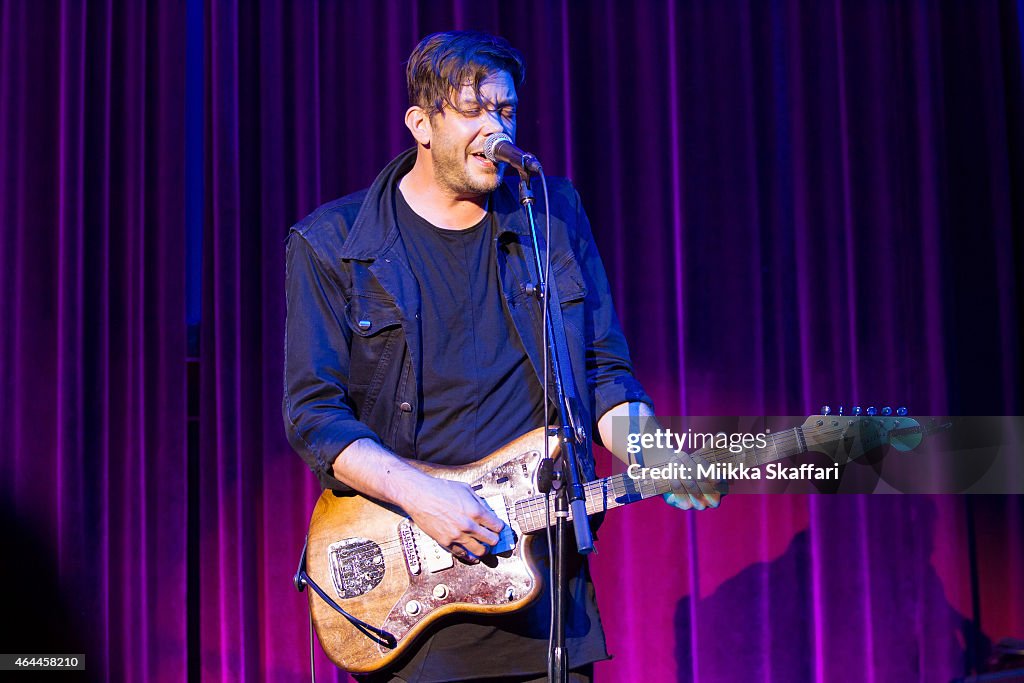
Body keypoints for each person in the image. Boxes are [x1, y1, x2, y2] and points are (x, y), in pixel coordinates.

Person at [283, 30, 720, 683]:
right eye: (471, 109)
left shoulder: (552, 216)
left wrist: (649, 447)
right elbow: (315, 414)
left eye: (506, 110)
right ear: (421, 124)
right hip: (414, 599)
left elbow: (601, 371)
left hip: (547, 600)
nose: (494, 127)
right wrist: (422, 494)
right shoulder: (335, 243)